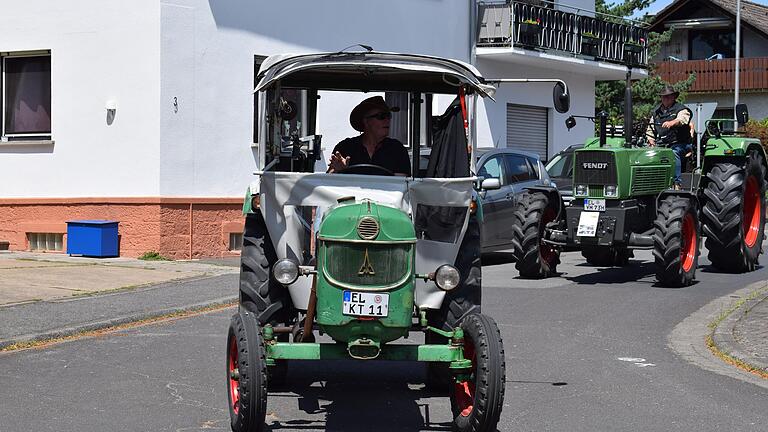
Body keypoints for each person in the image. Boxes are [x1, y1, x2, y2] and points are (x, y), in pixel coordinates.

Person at [327, 96, 411, 176]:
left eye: (389, 116)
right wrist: (338, 171)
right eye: (381, 116)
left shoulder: (397, 149)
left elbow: (401, 184)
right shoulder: (346, 147)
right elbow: (328, 180)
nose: (387, 120)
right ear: (366, 121)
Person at [646, 86, 692, 189]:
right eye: (663, 97)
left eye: (668, 96)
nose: (665, 99)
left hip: (682, 144)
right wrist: (651, 140)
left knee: (673, 152)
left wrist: (673, 122)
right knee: (646, 153)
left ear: (674, 97)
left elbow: (683, 119)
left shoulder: (681, 109)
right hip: (663, 144)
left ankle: (677, 184)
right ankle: (652, 183)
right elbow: (650, 129)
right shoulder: (656, 112)